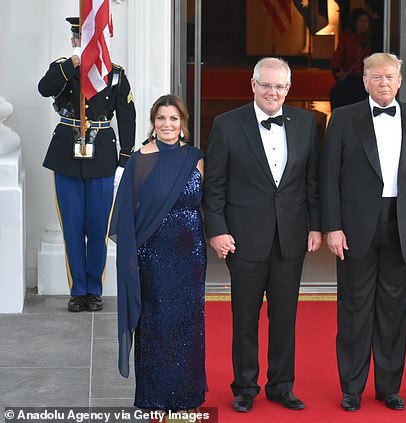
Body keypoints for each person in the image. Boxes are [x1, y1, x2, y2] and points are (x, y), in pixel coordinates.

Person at [320, 52, 406, 412]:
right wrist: (333, 228)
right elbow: (329, 177)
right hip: (355, 227)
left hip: (402, 224)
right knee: (355, 310)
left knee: (392, 310)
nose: (384, 82)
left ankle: (389, 387)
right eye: (376, 77)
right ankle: (351, 388)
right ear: (365, 81)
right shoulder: (343, 118)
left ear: (400, 81)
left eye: (390, 77)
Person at [203, 57, 321, 413]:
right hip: (243, 237)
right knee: (245, 317)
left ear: (289, 88)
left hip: (290, 237)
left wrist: (315, 225)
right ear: (253, 85)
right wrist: (217, 230)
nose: (273, 92)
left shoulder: (307, 123)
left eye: (280, 86)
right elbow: (215, 185)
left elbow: (312, 182)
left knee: (286, 317)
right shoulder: (227, 125)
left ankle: (282, 385)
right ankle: (245, 387)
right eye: (266, 85)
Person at [109, 94, 207, 410]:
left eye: (174, 119)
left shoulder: (196, 157)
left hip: (191, 255)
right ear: (153, 123)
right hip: (153, 255)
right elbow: (125, 214)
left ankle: (187, 393)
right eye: (161, 118)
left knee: (188, 323)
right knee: (156, 324)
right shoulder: (139, 160)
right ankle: (154, 396)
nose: (167, 124)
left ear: (183, 124)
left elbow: (204, 202)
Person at [38, 17, 136, 313]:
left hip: (102, 155)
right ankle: (77, 289)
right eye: (82, 38)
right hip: (67, 154)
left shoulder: (114, 74)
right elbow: (45, 89)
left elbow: (126, 116)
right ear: (73, 40)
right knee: (71, 227)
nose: (87, 43)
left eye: (93, 39)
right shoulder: (63, 68)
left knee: (98, 227)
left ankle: (94, 289)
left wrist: (126, 155)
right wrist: (72, 64)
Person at [329, 8, 374, 110]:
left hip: (366, 80)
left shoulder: (373, 40)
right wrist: (338, 71)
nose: (364, 24)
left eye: (367, 21)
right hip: (350, 79)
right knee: (337, 93)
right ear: (355, 23)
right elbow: (338, 57)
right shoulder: (346, 38)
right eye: (361, 21)